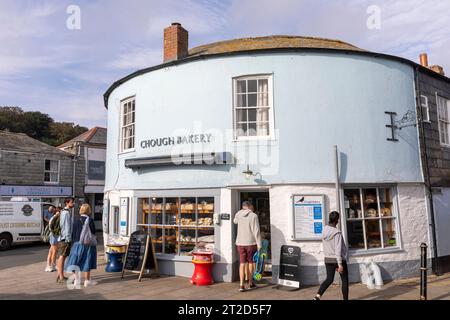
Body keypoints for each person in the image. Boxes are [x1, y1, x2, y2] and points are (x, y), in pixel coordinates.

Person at [313, 211, 349, 300]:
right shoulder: (337, 233)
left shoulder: (324, 229)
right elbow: (338, 249)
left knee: (329, 279)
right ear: (337, 220)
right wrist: (340, 264)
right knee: (344, 281)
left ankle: (317, 296)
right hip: (338, 260)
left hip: (328, 259)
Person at [65, 203, 98, 287]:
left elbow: (73, 232)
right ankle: (87, 281)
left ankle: (77, 280)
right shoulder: (90, 220)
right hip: (88, 244)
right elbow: (93, 231)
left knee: (75, 262)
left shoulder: (76, 220)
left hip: (77, 244)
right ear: (88, 210)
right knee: (87, 261)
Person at [233, 201, 262, 292]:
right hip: (251, 243)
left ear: (243, 207)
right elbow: (256, 231)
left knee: (242, 263)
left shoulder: (238, 214)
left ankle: (241, 285)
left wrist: (240, 213)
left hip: (240, 243)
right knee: (250, 262)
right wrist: (259, 244)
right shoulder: (253, 216)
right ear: (250, 206)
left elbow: (235, 221)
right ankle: (250, 283)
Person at [56, 197, 75, 283]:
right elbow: (66, 226)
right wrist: (68, 238)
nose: (73, 203)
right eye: (72, 202)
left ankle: (60, 275)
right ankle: (61, 277)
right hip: (65, 238)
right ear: (67, 203)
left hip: (63, 237)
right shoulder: (66, 213)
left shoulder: (63, 211)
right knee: (62, 256)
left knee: (62, 256)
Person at [44, 206, 59, 272]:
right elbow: (52, 228)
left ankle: (49, 266)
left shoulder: (53, 218)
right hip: (55, 236)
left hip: (53, 235)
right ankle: (51, 266)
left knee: (51, 251)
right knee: (54, 252)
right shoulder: (55, 218)